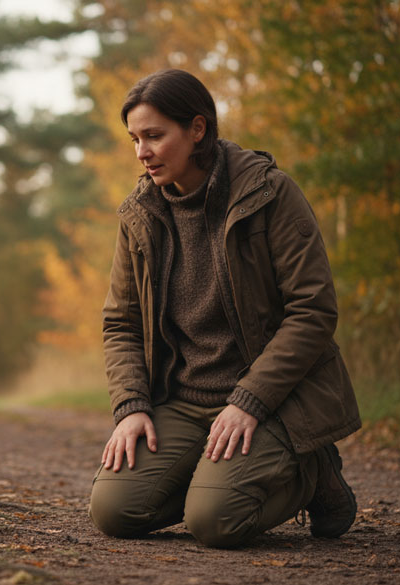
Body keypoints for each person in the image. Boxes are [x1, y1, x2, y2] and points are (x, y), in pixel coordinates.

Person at [89, 69, 361, 548]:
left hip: (274, 398)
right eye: (134, 138)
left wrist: (250, 399)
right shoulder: (139, 214)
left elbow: (312, 311)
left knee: (215, 522)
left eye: (154, 136)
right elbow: (121, 323)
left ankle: (314, 473)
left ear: (197, 129)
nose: (141, 152)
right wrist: (131, 407)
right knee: (114, 510)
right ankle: (217, 476)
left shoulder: (269, 194)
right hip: (184, 400)